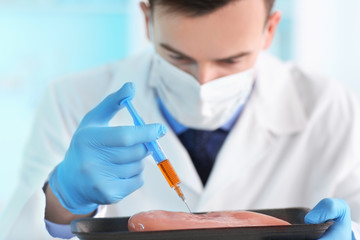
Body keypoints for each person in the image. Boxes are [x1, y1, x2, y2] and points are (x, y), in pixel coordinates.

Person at [1, 0, 360, 239]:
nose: (202, 83)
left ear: (270, 30)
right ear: (147, 19)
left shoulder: (331, 107)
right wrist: (61, 203)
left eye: (231, 61)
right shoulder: (70, 100)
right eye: (178, 58)